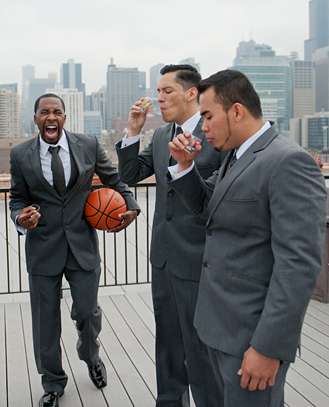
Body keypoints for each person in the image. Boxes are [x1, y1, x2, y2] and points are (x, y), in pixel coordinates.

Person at [167, 69, 326, 406]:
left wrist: (269, 347)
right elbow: (207, 207)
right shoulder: (235, 156)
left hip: (251, 337)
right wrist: (184, 167)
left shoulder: (288, 162)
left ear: (236, 111)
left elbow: (298, 265)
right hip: (218, 325)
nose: (203, 126)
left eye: (208, 116)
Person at [9, 93, 141, 407]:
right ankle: (53, 383)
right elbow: (16, 198)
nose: (50, 117)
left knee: (87, 311)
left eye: (56, 112)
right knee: (46, 322)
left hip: (82, 245)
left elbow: (114, 180)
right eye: (44, 112)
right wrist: (20, 217)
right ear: (36, 118)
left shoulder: (89, 144)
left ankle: (90, 354)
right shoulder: (20, 154)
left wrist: (132, 206)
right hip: (43, 247)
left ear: (65, 117)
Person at [115, 64, 225, 407]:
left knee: (200, 348)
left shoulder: (215, 136)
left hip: (197, 258)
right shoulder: (162, 136)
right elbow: (130, 174)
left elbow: (213, 200)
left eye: (167, 91)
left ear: (191, 93)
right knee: (168, 344)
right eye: (157, 92)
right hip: (162, 257)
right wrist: (133, 131)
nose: (158, 98)